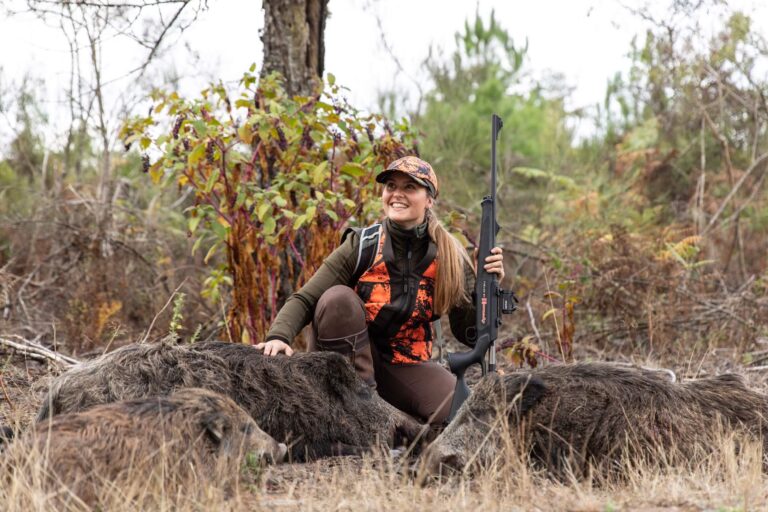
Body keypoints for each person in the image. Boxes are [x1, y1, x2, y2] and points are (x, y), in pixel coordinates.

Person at [256, 156, 505, 425]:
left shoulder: (451, 256)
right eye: (390, 186)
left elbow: (468, 334)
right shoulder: (362, 244)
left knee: (462, 416)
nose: (397, 194)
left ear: (429, 199)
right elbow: (306, 297)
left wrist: (484, 288)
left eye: (410, 187)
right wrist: (279, 336)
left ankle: (397, 423)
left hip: (404, 363)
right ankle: (365, 414)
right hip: (347, 361)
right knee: (338, 299)